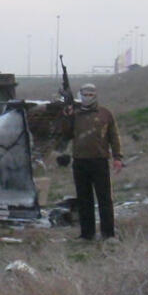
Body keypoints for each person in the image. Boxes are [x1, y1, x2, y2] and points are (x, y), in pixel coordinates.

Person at [57, 82, 124, 240]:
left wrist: (117, 157)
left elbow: (114, 137)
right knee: (84, 200)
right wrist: (67, 117)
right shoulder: (75, 114)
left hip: (99, 161)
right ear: (80, 95)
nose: (87, 98)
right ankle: (87, 234)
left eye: (91, 95)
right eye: (85, 94)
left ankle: (108, 234)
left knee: (104, 199)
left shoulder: (105, 114)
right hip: (80, 162)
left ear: (96, 96)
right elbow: (66, 135)